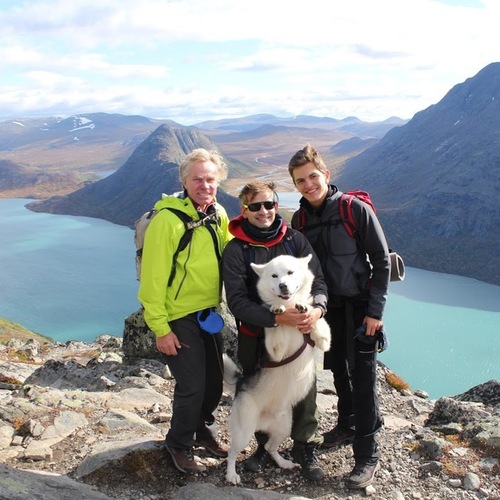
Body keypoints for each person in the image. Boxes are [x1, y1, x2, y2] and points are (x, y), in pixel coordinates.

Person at [287, 144, 390, 489]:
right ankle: (347, 425)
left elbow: (382, 260)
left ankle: (367, 453)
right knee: (338, 371)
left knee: (363, 378)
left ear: (326, 175)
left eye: (313, 176)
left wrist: (375, 313)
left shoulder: (353, 209)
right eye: (300, 180)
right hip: (327, 309)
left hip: (361, 307)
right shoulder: (299, 220)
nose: (308, 184)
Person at [222, 180, 328, 481]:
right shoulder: (236, 250)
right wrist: (276, 319)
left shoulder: (294, 240)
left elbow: (318, 282)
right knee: (260, 391)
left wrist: (318, 309)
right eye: (255, 206)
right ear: (245, 209)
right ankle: (262, 446)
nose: (264, 211)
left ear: (276, 204)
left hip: (302, 332)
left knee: (303, 388)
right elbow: (237, 301)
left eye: (269, 204)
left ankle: (305, 446)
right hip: (257, 336)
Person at [138, 148, 233, 474]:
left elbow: (230, 248)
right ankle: (178, 443)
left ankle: (201, 428)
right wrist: (161, 328)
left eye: (211, 179)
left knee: (215, 382)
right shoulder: (167, 220)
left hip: (207, 312)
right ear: (184, 180)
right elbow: (152, 278)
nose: (205, 185)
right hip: (178, 316)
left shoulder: (217, 213)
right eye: (198, 179)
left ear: (218, 181)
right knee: (192, 385)